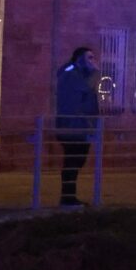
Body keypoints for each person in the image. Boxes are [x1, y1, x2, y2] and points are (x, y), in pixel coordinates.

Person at [53, 46, 99, 207]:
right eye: (90, 58)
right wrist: (94, 73)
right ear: (80, 59)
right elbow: (85, 89)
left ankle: (69, 197)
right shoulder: (70, 73)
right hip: (72, 126)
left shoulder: (76, 73)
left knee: (77, 161)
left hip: (80, 126)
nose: (93, 62)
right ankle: (67, 198)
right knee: (73, 161)